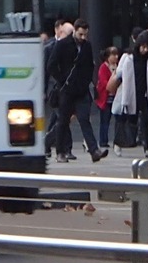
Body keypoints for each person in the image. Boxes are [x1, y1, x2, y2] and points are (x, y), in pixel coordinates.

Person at [45, 18, 107, 163]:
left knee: (84, 119)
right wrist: (62, 80)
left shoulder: (87, 46)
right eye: (80, 34)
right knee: (63, 121)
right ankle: (60, 151)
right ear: (74, 31)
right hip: (66, 89)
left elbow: (90, 66)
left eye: (85, 34)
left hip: (81, 89)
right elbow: (51, 65)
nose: (83, 37)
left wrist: (86, 81)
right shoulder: (62, 45)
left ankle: (94, 150)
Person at [109, 30, 148, 158]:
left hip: (144, 94)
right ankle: (118, 143)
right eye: (143, 46)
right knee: (125, 119)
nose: (145, 50)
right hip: (130, 93)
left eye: (147, 47)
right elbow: (120, 73)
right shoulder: (128, 58)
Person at [95, 46, 120, 149]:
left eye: (116, 54)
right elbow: (103, 81)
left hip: (115, 98)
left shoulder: (118, 66)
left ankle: (118, 140)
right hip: (105, 98)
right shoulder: (103, 67)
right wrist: (112, 84)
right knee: (105, 121)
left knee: (117, 120)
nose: (116, 57)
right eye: (113, 55)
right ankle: (103, 140)